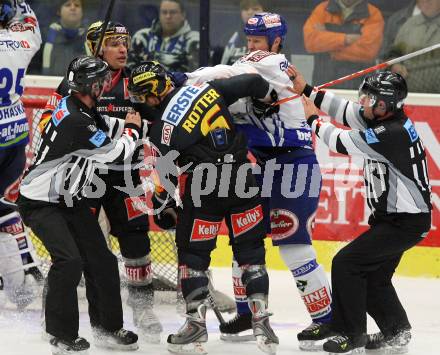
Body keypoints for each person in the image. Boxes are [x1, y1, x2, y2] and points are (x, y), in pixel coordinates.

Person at [185, 12, 333, 349]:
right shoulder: (255, 67)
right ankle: (247, 312)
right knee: (245, 240)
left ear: (276, 41)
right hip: (259, 164)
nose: (251, 46)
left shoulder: (269, 61)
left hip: (294, 164)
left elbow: (223, 75)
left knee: (294, 246)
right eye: (249, 40)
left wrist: (184, 78)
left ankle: (327, 319)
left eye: (257, 41)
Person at [127, 61, 279, 355]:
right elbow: (253, 82)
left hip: (203, 189)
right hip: (242, 180)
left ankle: (195, 325)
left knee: (193, 257)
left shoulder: (162, 132)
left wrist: (163, 207)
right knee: (251, 253)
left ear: (153, 94)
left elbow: (164, 183)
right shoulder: (205, 88)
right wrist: (269, 99)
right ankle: (261, 320)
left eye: (140, 97)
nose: (138, 104)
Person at [288, 65, 432, 354]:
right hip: (395, 220)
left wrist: (312, 120)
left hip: (404, 223)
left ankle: (351, 333)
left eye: (369, 98)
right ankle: (396, 332)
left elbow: (340, 141)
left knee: (347, 264)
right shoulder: (382, 119)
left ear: (385, 104)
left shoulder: (389, 133)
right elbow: (344, 111)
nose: (362, 102)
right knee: (374, 277)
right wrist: (306, 90)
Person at [17, 56, 139, 354]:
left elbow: (107, 124)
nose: (107, 84)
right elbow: (114, 154)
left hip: (68, 199)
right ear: (92, 85)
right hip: (40, 202)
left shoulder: (81, 107)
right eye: (102, 81)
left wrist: (137, 121)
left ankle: (107, 327)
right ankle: (60, 333)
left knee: (102, 260)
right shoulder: (75, 120)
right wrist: (133, 132)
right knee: (69, 261)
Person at [0, 0, 44, 310]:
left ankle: (19, 283)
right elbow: (34, 28)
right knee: (1, 205)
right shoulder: (22, 40)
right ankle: (24, 275)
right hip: (15, 138)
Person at [303, 0, 384, 89]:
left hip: (358, 85)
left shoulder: (373, 14)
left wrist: (329, 46)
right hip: (323, 82)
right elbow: (310, 42)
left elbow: (368, 51)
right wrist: (346, 39)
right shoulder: (322, 9)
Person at [127, 0, 199, 72]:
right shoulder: (142, 37)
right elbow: (128, 70)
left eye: (173, 12)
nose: (168, 16)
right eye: (164, 12)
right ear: (159, 15)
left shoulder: (194, 40)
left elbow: (200, 74)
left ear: (183, 15)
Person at [386, 0, 440, 93]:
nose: (426, 2)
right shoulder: (409, 25)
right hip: (410, 94)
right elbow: (394, 54)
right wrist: (395, 66)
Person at [42, 0, 85, 76]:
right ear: (59, 11)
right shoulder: (44, 36)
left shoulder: (91, 38)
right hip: (49, 86)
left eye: (77, 5)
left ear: (82, 12)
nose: (73, 8)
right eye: (68, 5)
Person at [220, 0, 265, 65]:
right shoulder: (229, 37)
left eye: (255, 9)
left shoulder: (276, 38)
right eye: (246, 9)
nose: (249, 12)